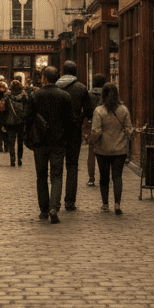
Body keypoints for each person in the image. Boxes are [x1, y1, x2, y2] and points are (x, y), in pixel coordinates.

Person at [27, 66, 72, 223]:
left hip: (40, 142)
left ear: (44, 79)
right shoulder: (65, 96)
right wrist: (67, 140)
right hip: (58, 142)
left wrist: (29, 140)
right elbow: (69, 122)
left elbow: (28, 118)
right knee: (57, 175)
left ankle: (44, 210)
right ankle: (54, 206)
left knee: (41, 176)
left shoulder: (35, 95)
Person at [88, 82, 134, 214]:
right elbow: (129, 129)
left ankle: (105, 204)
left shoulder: (99, 111)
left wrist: (91, 140)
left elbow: (96, 131)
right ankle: (117, 203)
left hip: (103, 149)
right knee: (117, 176)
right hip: (120, 149)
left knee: (104, 177)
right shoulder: (124, 110)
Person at [55, 60, 94, 211]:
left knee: (57, 166)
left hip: (57, 131)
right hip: (74, 131)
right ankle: (70, 201)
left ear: (62, 71)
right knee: (72, 166)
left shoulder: (55, 87)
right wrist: (78, 117)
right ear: (76, 72)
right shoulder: (81, 88)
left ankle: (55, 201)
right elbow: (89, 111)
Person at [2, 78, 29, 167]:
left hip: (10, 123)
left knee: (11, 142)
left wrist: (3, 123)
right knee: (20, 142)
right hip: (21, 122)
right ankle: (19, 159)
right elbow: (27, 110)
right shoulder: (24, 97)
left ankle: (12, 159)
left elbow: (4, 111)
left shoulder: (7, 97)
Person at [84, 74, 105, 187]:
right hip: (106, 124)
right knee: (106, 150)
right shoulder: (107, 94)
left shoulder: (89, 94)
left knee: (91, 152)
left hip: (93, 124)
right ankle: (105, 175)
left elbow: (86, 110)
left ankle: (91, 177)